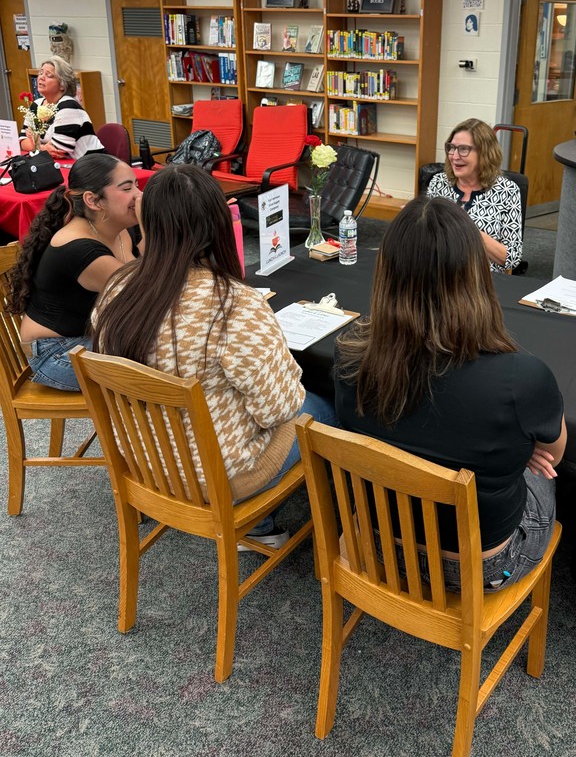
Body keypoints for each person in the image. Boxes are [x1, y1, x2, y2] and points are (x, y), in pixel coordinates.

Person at [91, 164, 336, 545]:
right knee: (326, 410)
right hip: (219, 477)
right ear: (218, 223)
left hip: (144, 463)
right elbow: (280, 409)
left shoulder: (117, 288)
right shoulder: (232, 304)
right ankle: (285, 527)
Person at [335, 197, 567, 592]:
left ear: (386, 271)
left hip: (375, 545)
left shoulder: (349, 353)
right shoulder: (524, 377)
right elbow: (553, 453)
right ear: (475, 273)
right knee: (545, 473)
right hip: (478, 570)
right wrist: (514, 445)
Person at [8, 154, 141, 391]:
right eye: (127, 188)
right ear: (93, 200)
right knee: (158, 365)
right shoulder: (82, 250)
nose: (139, 195)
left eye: (137, 185)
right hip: (57, 353)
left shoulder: (115, 228)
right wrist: (154, 228)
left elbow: (144, 266)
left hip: (89, 337)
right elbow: (147, 293)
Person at [426, 117, 523, 272]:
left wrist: (467, 228)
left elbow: (511, 258)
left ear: (485, 153)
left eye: (464, 149)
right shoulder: (439, 182)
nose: (455, 156)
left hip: (481, 280)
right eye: (451, 147)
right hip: (438, 274)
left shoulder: (507, 191)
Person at [21, 57, 104, 160]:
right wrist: (42, 147)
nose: (41, 77)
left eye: (49, 75)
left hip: (91, 165)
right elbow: (23, 141)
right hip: (57, 164)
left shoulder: (68, 105)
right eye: (41, 73)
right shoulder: (36, 105)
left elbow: (59, 151)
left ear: (62, 85)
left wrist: (35, 144)